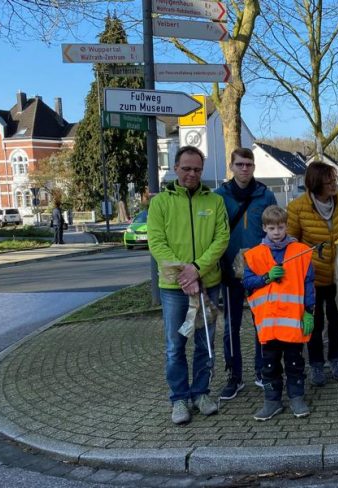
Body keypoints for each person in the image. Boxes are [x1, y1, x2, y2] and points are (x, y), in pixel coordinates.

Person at [147, 145, 230, 425]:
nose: (192, 174)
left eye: (197, 169)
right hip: (174, 288)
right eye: (186, 169)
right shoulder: (160, 203)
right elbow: (157, 243)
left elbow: (222, 239)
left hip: (209, 284)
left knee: (205, 342)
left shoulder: (214, 201)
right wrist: (184, 274)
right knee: (175, 345)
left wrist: (197, 269)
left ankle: (201, 393)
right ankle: (179, 398)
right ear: (175, 168)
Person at [215, 147, 277, 401]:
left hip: (259, 271)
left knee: (261, 323)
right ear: (231, 166)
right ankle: (234, 375)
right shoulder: (219, 196)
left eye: (248, 164)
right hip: (229, 270)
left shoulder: (265, 195)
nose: (244, 169)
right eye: (239, 164)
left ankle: (263, 371)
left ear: (253, 167)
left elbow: (275, 231)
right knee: (232, 327)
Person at [242, 205, 315, 421]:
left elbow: (309, 284)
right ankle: (272, 401)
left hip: (293, 322)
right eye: (272, 228)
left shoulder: (301, 251)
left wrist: (309, 311)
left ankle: (297, 398)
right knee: (270, 364)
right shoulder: (254, 255)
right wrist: (266, 277)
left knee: (295, 362)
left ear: (286, 226)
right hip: (268, 324)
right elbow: (247, 282)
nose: (276, 232)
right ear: (264, 228)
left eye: (280, 227)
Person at [287, 162, 338, 386]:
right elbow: (291, 239)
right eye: (329, 181)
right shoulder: (297, 207)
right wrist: (308, 254)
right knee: (314, 322)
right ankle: (316, 364)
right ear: (316, 184)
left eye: (335, 179)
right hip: (312, 274)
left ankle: (336, 359)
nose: (335, 184)